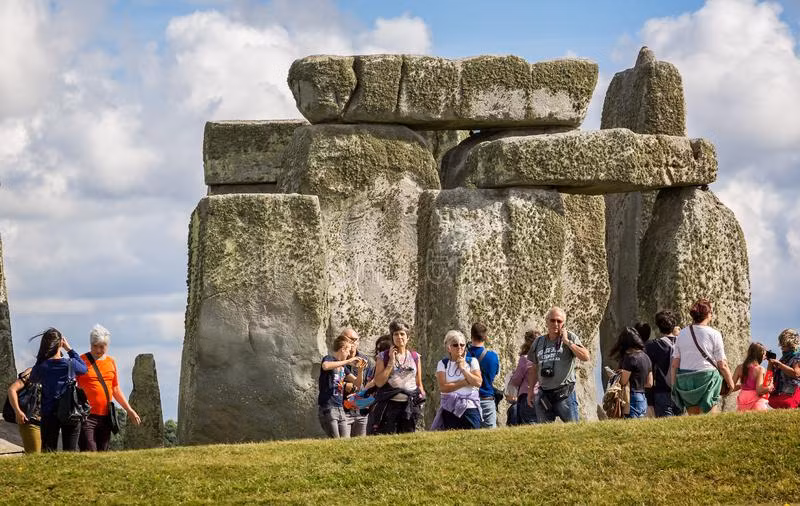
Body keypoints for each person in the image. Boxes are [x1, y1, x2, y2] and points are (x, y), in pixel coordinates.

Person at [77, 324, 141, 451]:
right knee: (89, 451)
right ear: (90, 344)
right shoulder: (81, 361)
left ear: (107, 345)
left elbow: (115, 389)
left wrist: (129, 410)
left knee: (103, 453)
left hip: (106, 416)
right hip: (86, 416)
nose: (98, 350)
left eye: (102, 346)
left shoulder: (111, 362)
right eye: (95, 346)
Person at [670, 298, 734, 415]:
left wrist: (674, 385)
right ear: (708, 314)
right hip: (707, 377)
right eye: (711, 312)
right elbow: (722, 364)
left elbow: (675, 364)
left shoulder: (682, 334)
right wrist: (730, 382)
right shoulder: (714, 334)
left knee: (693, 418)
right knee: (710, 417)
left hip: (686, 379)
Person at [526, 307, 590, 423]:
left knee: (573, 431)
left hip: (564, 394)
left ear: (563, 324)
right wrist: (530, 391)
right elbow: (534, 368)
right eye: (552, 320)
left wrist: (567, 342)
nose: (555, 324)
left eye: (559, 321)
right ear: (546, 321)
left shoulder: (570, 337)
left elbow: (585, 356)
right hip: (544, 394)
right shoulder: (538, 342)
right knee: (545, 434)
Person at [29, 328, 88, 451]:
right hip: (70, 410)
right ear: (60, 343)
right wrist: (69, 349)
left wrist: (41, 357)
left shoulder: (43, 366)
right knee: (70, 452)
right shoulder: (70, 364)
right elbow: (84, 368)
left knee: (48, 450)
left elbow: (33, 377)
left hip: (49, 411)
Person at [372, 319, 425, 434]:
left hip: (410, 405)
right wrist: (391, 361)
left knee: (409, 437)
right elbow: (379, 382)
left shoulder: (415, 357)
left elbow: (418, 382)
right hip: (390, 405)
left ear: (408, 337)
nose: (399, 337)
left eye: (402, 334)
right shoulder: (383, 357)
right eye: (396, 334)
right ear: (392, 337)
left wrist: (421, 401)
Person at [431, 330, 482, 430]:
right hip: (450, 408)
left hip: (470, 408)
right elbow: (443, 388)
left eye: (462, 345)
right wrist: (466, 382)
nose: (459, 347)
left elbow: (478, 382)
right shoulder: (442, 364)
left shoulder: (472, 361)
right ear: (448, 347)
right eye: (455, 345)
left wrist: (463, 369)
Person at [318, 335, 361, 438]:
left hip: (340, 408)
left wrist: (361, 370)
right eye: (348, 351)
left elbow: (357, 383)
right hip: (328, 407)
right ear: (342, 349)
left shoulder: (343, 367)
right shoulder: (328, 358)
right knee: (335, 441)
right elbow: (325, 366)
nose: (349, 354)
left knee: (345, 441)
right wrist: (348, 362)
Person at [645, 310, 682, 417]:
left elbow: (649, 371)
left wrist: (650, 401)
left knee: (665, 427)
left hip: (661, 392)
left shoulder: (653, 345)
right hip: (681, 390)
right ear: (674, 325)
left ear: (658, 326)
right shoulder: (682, 342)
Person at [610, 327, 653, 418]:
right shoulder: (646, 357)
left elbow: (623, 381)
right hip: (642, 398)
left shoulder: (630, 358)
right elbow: (649, 383)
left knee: (630, 426)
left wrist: (616, 375)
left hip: (631, 397)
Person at [467, 322, 500, 428]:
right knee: (491, 438)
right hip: (487, 399)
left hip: (469, 400)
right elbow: (494, 374)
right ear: (485, 337)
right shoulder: (493, 356)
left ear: (471, 336)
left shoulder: (464, 356)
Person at [341, 328, 370, 437]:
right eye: (349, 339)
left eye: (355, 340)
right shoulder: (336, 360)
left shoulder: (365, 360)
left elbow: (368, 383)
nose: (352, 343)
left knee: (360, 446)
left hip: (361, 409)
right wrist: (344, 386)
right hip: (343, 409)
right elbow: (329, 382)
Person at [7, 367, 42, 453]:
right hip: (32, 420)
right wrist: (18, 411)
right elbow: (12, 390)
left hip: (49, 423)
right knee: (35, 456)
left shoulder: (56, 372)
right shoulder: (32, 372)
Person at [507, 330, 538, 425]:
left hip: (527, 395)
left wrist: (511, 377)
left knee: (528, 422)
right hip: (542, 395)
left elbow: (516, 380)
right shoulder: (543, 357)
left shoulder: (525, 359)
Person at [732, 342, 772, 411]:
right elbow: (759, 390)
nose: (764, 357)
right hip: (755, 400)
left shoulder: (739, 367)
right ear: (760, 355)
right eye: (764, 355)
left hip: (742, 398)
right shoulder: (760, 369)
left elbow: (731, 387)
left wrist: (741, 386)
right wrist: (770, 387)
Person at [767, 328, 800, 409]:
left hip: (792, 392)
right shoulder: (784, 357)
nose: (781, 347)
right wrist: (770, 364)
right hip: (781, 392)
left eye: (784, 345)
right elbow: (770, 376)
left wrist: (780, 365)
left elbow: (796, 374)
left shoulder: (797, 356)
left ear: (791, 344)